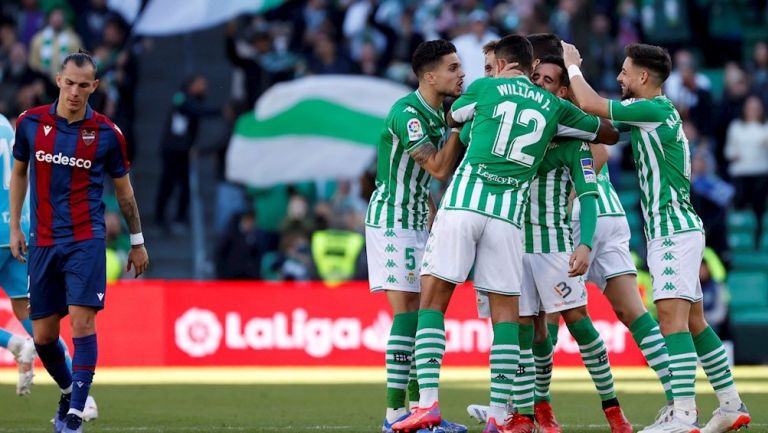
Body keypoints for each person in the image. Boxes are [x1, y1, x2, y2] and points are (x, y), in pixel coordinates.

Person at [393, 35, 617, 433]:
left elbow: (453, 118)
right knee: (507, 318)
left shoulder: (483, 88)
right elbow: (607, 134)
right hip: (507, 219)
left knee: (433, 300)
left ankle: (427, 404)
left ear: (501, 64)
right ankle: (499, 415)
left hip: (465, 203)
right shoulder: (553, 104)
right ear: (532, 68)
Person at [466, 39, 674, 432]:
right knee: (533, 324)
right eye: (534, 77)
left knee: (594, 317)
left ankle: (664, 402)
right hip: (532, 232)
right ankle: (526, 408)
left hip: (580, 222)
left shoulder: (569, 112)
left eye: (545, 76)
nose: (535, 83)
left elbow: (599, 151)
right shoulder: (533, 111)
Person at [563, 41, 750, 433]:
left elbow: (596, 105)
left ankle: (683, 416)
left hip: (672, 231)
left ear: (643, 77)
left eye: (625, 72)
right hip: (680, 227)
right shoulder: (655, 113)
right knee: (695, 322)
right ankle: (731, 404)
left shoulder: (652, 109)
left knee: (671, 321)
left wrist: (572, 66)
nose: (620, 77)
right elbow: (606, 128)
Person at [10, 51, 149, 433]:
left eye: (83, 85)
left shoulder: (107, 134)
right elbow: (19, 173)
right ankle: (71, 391)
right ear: (58, 79)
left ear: (94, 87)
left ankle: (73, 417)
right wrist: (16, 228)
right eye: (69, 82)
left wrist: (137, 241)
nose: (74, 91)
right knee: (43, 336)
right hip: (43, 241)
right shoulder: (30, 123)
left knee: (83, 325)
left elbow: (124, 193)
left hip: (86, 239)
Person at [365, 39, 467, 433]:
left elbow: (427, 181)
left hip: (417, 219)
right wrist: (460, 127)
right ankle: (395, 415)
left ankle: (414, 413)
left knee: (418, 313)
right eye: (453, 68)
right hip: (392, 219)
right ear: (429, 75)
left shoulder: (439, 113)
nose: (461, 74)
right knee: (409, 313)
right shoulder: (407, 114)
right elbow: (440, 169)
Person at [0, 112, 36, 396]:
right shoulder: (4, 123)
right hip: (17, 228)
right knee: (32, 317)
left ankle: (14, 343)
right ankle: (80, 394)